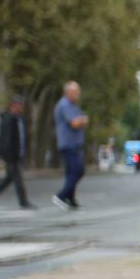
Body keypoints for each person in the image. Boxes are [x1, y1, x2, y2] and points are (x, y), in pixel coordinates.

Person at [0, 96, 32, 209]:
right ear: (13, 106)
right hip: (11, 155)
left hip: (17, 154)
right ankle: (23, 201)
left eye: (22, 106)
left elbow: (22, 138)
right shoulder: (8, 119)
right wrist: (5, 154)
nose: (21, 108)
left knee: (9, 178)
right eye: (19, 105)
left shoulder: (19, 119)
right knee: (18, 178)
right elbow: (5, 139)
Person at [52, 80, 88, 209]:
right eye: (76, 91)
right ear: (69, 92)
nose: (78, 93)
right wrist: (82, 120)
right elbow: (74, 123)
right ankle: (61, 196)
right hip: (68, 144)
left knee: (71, 172)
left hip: (74, 143)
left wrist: (82, 120)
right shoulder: (64, 105)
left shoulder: (73, 106)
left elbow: (82, 120)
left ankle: (70, 199)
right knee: (78, 170)